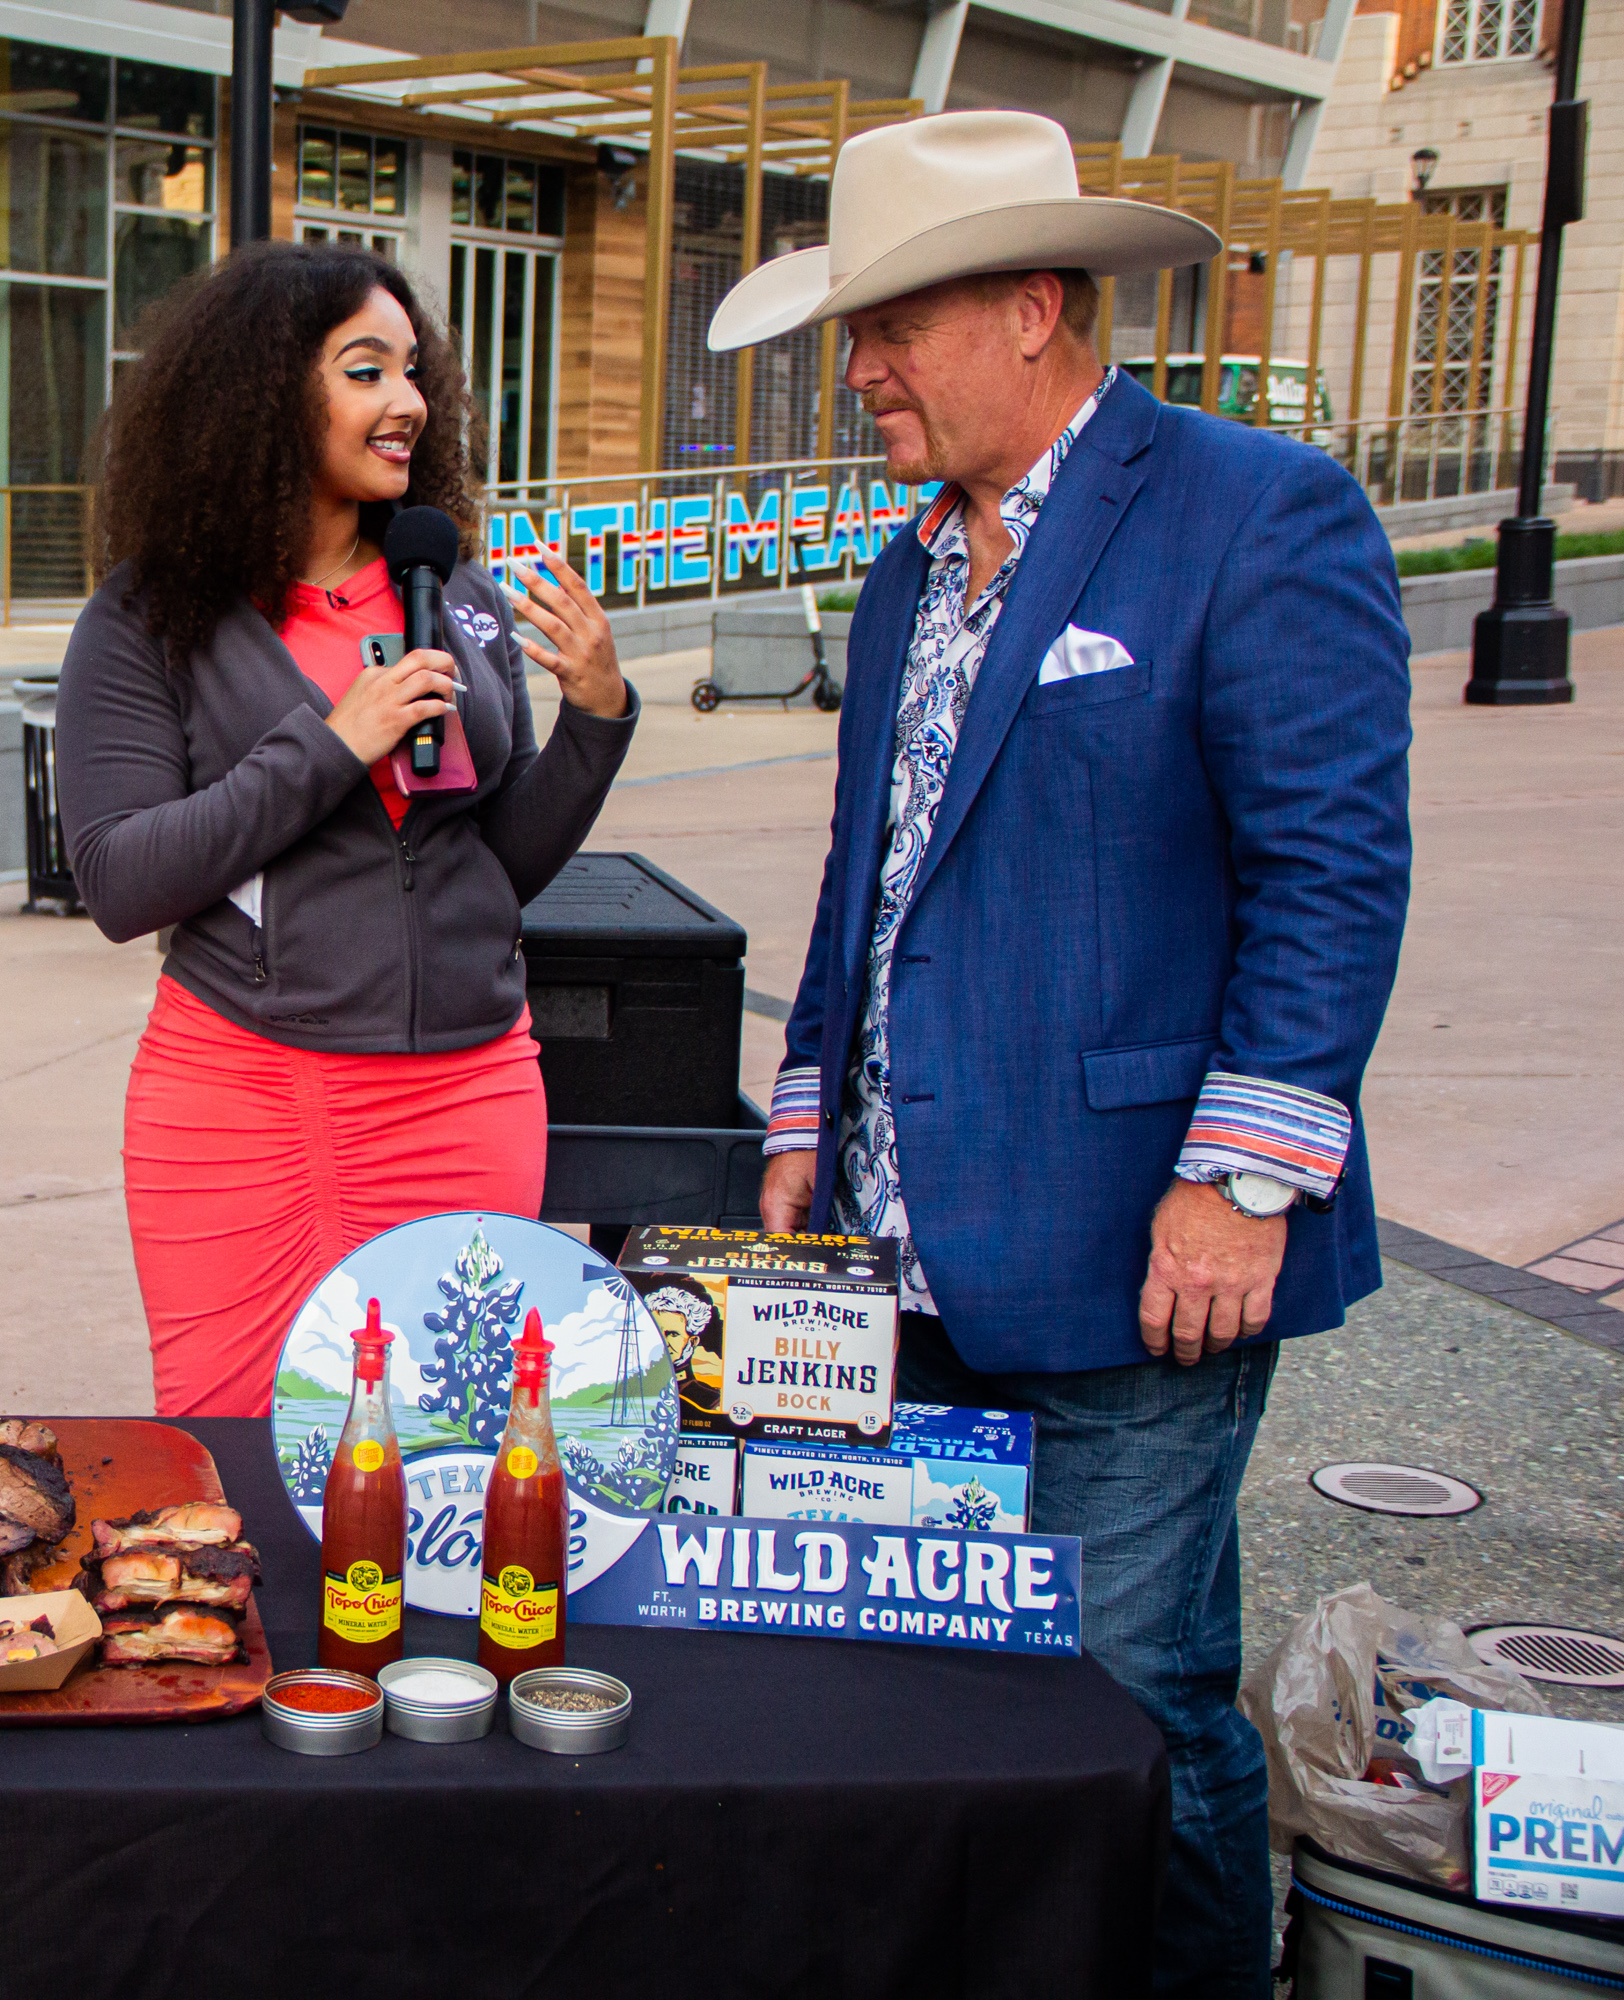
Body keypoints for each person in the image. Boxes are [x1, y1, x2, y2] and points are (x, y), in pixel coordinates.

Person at [722, 113, 1412, 1997]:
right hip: (911, 1259)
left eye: (892, 327)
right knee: (960, 1708)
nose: (856, 371)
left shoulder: (1255, 512)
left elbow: (1333, 874)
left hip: (1142, 1259)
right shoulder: (906, 567)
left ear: (1035, 309)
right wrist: (808, 1103)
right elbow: (870, 872)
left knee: (1131, 1704)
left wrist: (1240, 1176)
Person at [57, 242, 639, 1419]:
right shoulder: (151, 616)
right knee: (247, 1456)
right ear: (266, 393)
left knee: (450, 1467)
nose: (408, 403)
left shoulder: (455, 597)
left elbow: (497, 864)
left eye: (413, 372)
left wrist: (596, 718)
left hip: (466, 1098)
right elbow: (120, 879)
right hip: (246, 1099)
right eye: (365, 371)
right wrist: (331, 744)